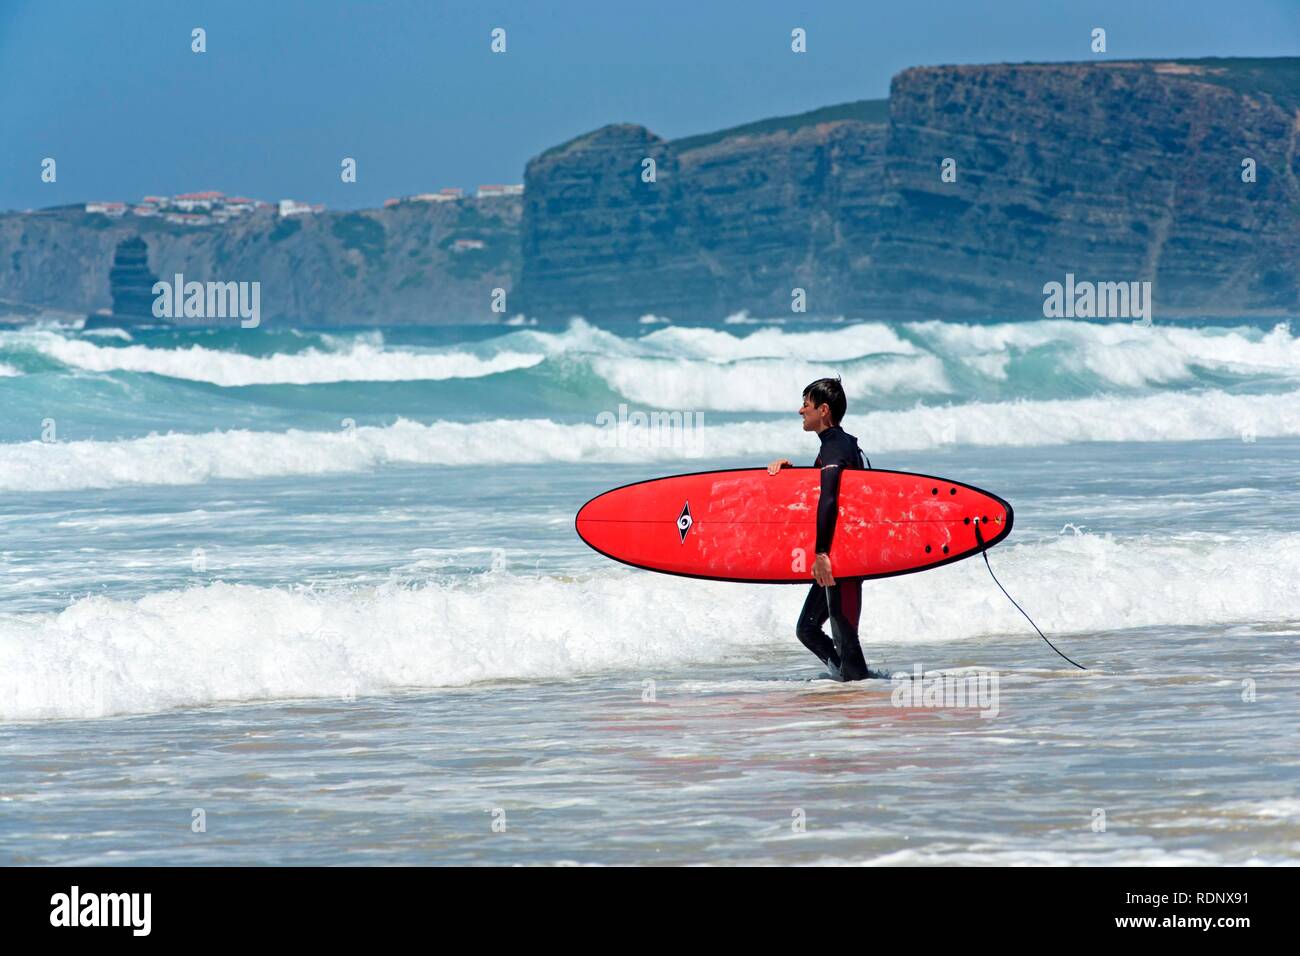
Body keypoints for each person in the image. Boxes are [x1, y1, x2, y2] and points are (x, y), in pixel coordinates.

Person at [767, 377, 872, 681]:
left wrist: (822, 554)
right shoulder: (843, 445)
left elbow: (829, 500)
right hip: (843, 555)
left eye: (806, 405)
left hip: (841, 559)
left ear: (823, 410)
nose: (801, 411)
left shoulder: (835, 448)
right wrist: (790, 475)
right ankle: (854, 685)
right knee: (809, 629)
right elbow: (825, 494)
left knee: (845, 636)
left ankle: (858, 701)